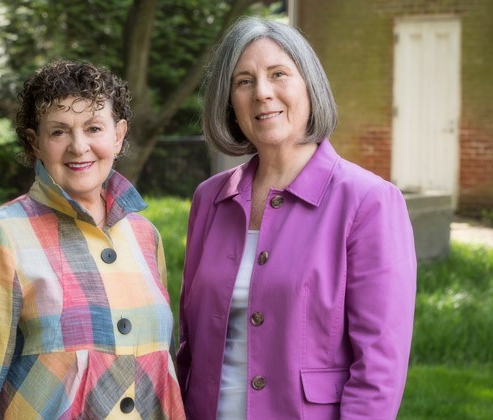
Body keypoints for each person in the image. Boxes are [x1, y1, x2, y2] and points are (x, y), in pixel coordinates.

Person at [177, 17, 417, 419]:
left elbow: (380, 368)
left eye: (278, 74)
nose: (262, 93)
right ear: (230, 103)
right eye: (244, 81)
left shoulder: (368, 202)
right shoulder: (210, 198)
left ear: (309, 86)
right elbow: (190, 343)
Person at [0, 59, 185, 419]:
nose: (79, 147)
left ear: (119, 135)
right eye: (59, 132)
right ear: (35, 143)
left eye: (94, 128)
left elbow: (163, 370)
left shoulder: (145, 236)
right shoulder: (1, 234)